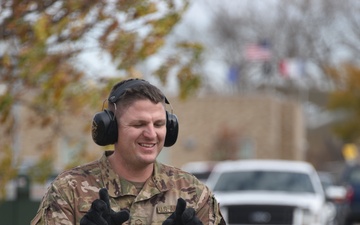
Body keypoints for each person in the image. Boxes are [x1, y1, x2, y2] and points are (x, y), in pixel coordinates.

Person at [31, 78, 225, 225]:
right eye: (139, 124)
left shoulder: (192, 191)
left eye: (159, 124)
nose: (151, 134)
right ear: (111, 129)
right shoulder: (69, 189)